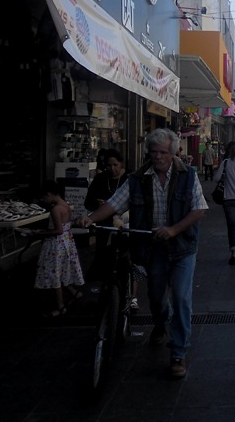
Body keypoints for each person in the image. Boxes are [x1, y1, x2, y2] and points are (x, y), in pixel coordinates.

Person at [77, 128, 207, 380]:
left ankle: (178, 352)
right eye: (154, 152)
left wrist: (173, 230)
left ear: (173, 152)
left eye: (163, 152)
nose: (158, 156)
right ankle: (160, 323)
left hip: (182, 248)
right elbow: (114, 203)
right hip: (153, 248)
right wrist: (91, 218)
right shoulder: (137, 179)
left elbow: (199, 210)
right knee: (156, 298)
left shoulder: (188, 176)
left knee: (181, 298)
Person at [83, 149, 139, 309]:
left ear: (121, 163)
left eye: (115, 164)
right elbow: (88, 202)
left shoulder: (131, 177)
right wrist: (98, 205)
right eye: (109, 165)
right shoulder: (100, 179)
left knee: (131, 260)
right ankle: (108, 289)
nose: (112, 168)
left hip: (127, 225)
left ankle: (132, 295)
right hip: (105, 226)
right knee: (105, 256)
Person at [33, 180, 85, 318]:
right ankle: (74, 292)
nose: (44, 200)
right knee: (63, 270)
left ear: (49, 194)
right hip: (67, 241)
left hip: (56, 244)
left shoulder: (55, 209)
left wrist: (41, 233)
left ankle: (61, 307)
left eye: (44, 197)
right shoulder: (66, 205)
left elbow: (58, 230)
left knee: (54, 273)